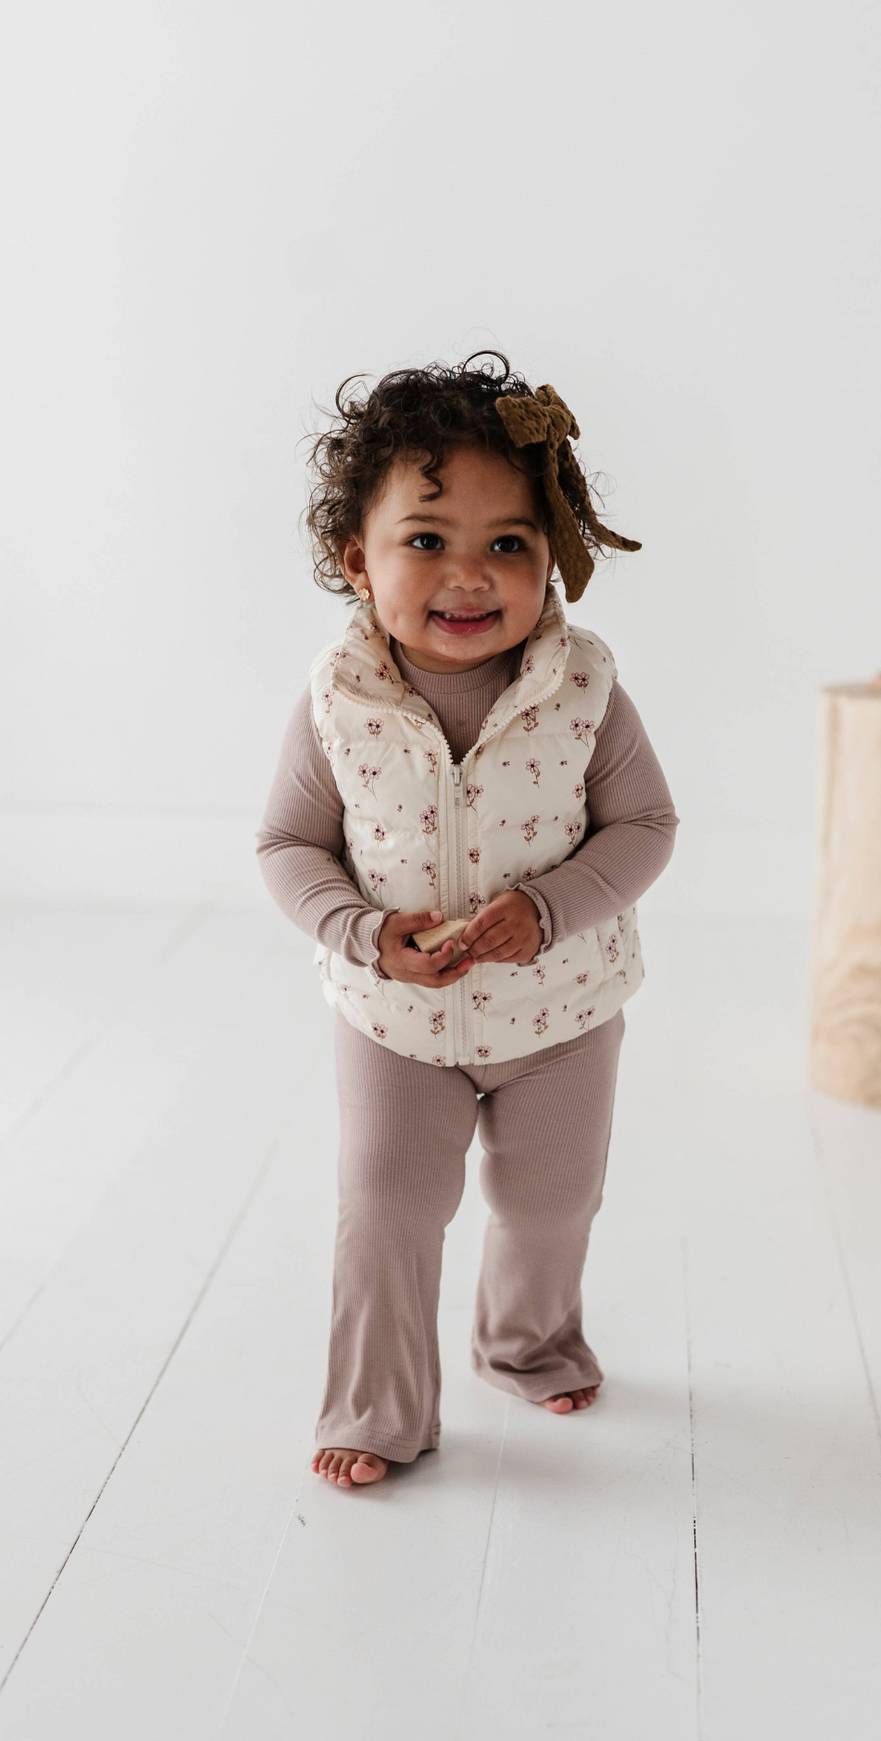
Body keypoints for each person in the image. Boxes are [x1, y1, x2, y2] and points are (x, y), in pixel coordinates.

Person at [255, 351, 679, 1490]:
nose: (469, 574)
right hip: (393, 1014)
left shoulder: (581, 689)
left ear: (554, 560)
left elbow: (643, 825)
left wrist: (548, 911)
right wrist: (360, 932)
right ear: (357, 558)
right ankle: (379, 1405)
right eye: (427, 538)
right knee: (387, 1204)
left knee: (550, 1199)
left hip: (563, 1011)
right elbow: (286, 847)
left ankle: (525, 1338)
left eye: (508, 544)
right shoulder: (337, 700)